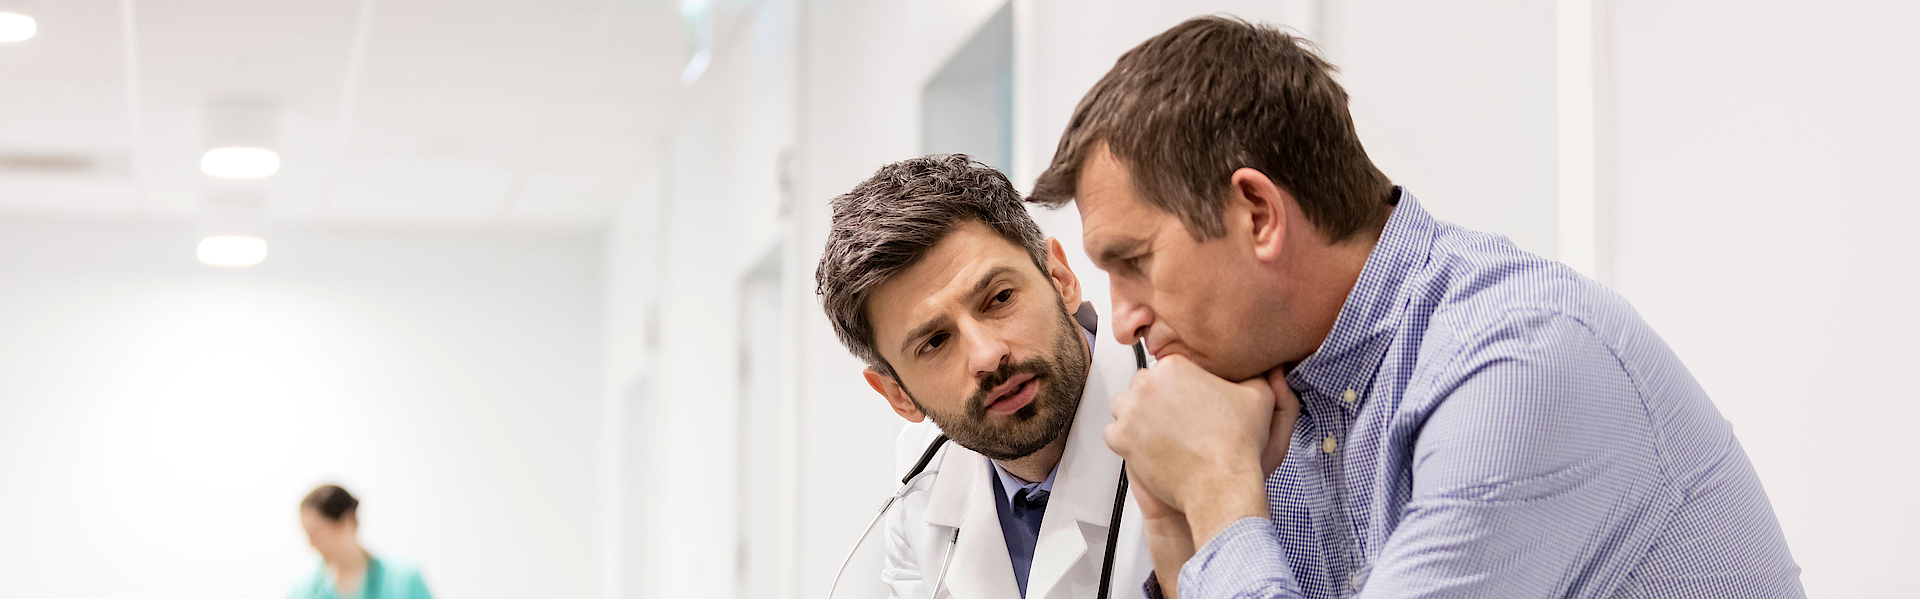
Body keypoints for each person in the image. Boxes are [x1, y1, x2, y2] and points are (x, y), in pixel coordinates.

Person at [1025, 16, 1803, 599]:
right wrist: (1169, 516)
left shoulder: (1517, 361)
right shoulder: (1266, 389)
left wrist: (1219, 493)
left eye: (1135, 263)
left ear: (1258, 214)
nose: (1122, 320)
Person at [815, 154, 1153, 598]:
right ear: (898, 394)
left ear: (1061, 278)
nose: (988, 356)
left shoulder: (1214, 415)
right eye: (935, 342)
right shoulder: (919, 485)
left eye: (1000, 297)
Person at [292, 484, 435, 599]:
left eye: (317, 533)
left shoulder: (404, 581)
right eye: (307, 534)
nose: (312, 543)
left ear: (349, 522)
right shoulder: (303, 592)